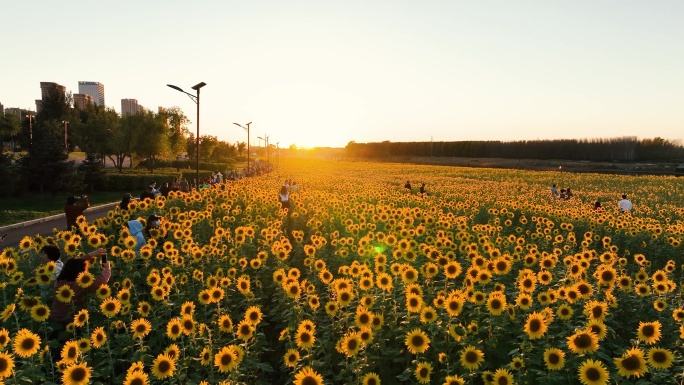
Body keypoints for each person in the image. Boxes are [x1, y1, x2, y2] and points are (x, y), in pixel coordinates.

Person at [48, 248, 110, 358]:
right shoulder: (80, 284)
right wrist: (107, 268)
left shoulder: (59, 280)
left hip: (54, 318)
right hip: (70, 321)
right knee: (70, 349)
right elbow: (101, 281)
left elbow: (74, 265)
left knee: (55, 348)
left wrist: (91, 254)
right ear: (80, 272)